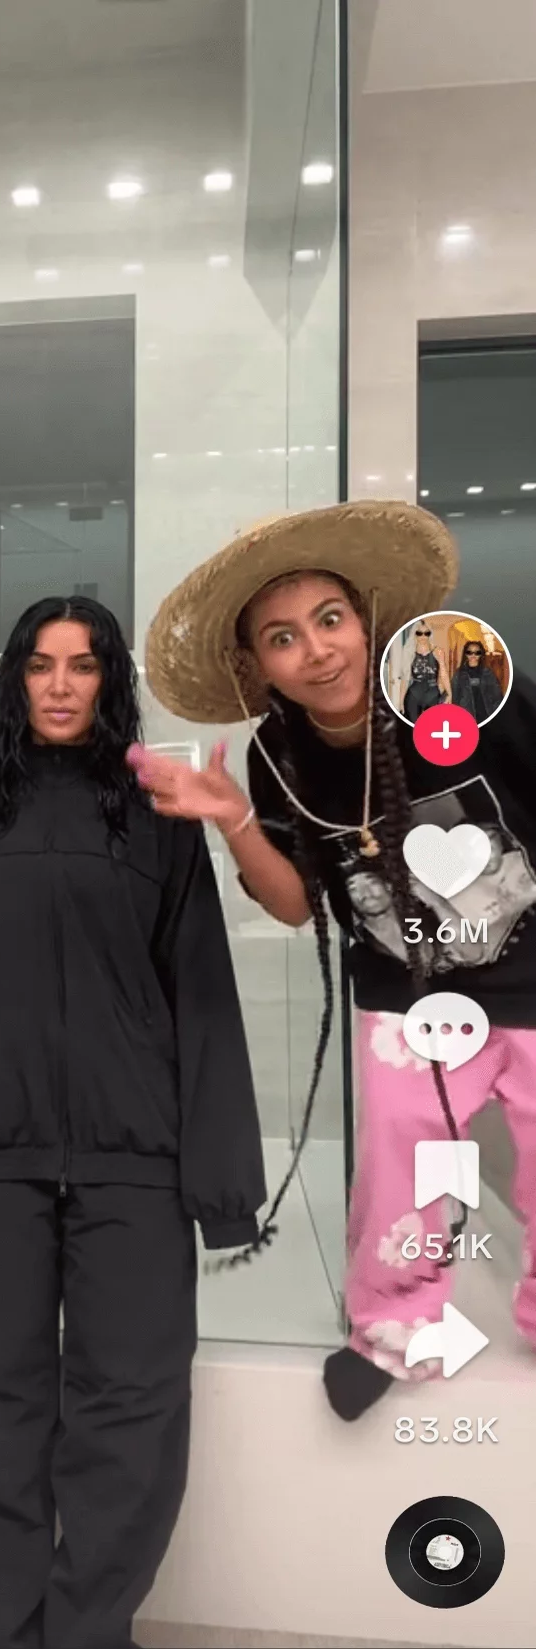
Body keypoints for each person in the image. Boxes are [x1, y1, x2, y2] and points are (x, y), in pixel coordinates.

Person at [0, 595, 265, 1649]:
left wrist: (218, 1186)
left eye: (81, 666)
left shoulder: (157, 824)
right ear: (10, 681)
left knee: (129, 1411)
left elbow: (201, 1004)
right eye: (38, 665)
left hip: (131, 1167)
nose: (57, 684)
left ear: (107, 685)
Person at [134, 501, 536, 1424]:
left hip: (533, 976)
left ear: (364, 622)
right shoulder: (276, 758)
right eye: (282, 638)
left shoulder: (459, 692)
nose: (315, 650)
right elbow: (289, 903)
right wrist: (231, 818)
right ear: (255, 665)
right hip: (407, 996)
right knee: (400, 1154)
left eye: (328, 620)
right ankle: (391, 1329)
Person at [402, 622, 449, 720]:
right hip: (414, 694)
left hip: (433, 694)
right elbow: (405, 678)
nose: (423, 636)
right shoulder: (409, 652)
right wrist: (401, 701)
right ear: (415, 634)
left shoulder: (437, 651)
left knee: (433, 728)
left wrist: (449, 693)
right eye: (419, 633)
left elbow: (444, 674)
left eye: (426, 633)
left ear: (430, 634)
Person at [452, 637, 504, 723]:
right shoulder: (459, 674)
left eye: (477, 652)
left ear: (481, 654)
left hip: (486, 715)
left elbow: (497, 696)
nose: (473, 655)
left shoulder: (487, 673)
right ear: (465, 654)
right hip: (466, 716)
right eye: (469, 652)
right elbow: (454, 696)